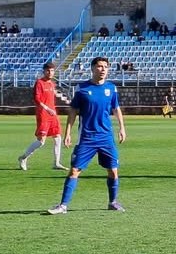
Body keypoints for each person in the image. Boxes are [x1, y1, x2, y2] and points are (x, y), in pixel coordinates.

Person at [46, 56, 127, 215]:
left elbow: (116, 109)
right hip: (87, 138)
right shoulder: (82, 89)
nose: (103, 69)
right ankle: (63, 205)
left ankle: (112, 202)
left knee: (113, 170)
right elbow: (73, 111)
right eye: (99, 66)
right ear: (92, 68)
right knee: (75, 170)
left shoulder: (111, 88)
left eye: (105, 67)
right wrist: (68, 132)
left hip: (106, 137)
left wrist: (122, 128)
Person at [18, 62, 67, 171]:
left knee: (58, 138)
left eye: (52, 71)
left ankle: (57, 163)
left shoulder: (52, 84)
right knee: (41, 141)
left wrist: (52, 110)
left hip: (52, 114)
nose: (50, 73)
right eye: (48, 71)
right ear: (44, 71)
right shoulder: (39, 83)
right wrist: (47, 109)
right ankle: (23, 158)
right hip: (43, 114)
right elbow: (37, 99)